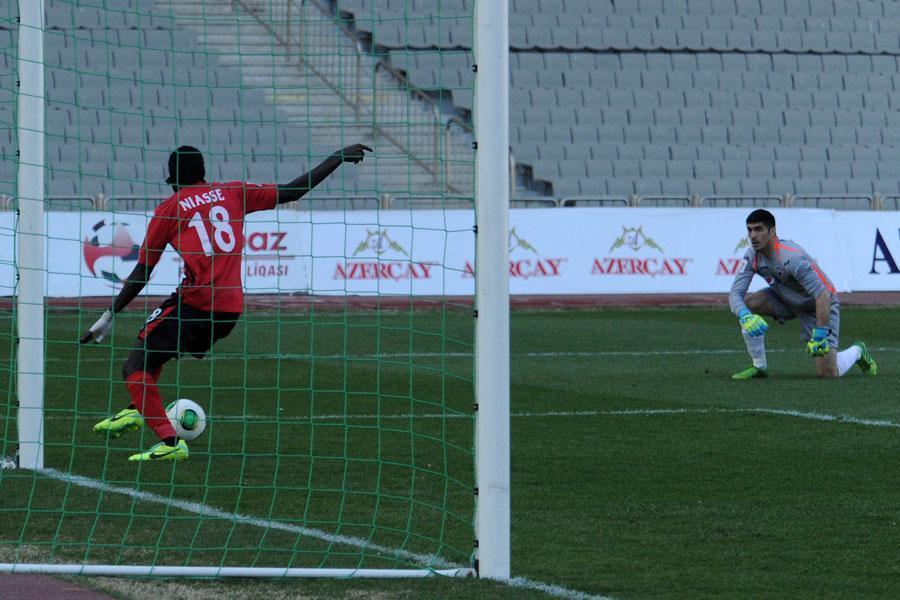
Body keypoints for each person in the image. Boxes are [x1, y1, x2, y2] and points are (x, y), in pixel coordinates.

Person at [80, 143, 372, 461]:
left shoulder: (169, 209)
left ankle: (170, 441)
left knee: (134, 365)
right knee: (155, 347)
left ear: (172, 179)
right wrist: (337, 157)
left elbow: (143, 272)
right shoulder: (233, 192)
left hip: (197, 303)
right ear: (204, 173)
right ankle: (137, 409)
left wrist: (109, 314)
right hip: (229, 310)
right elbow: (294, 190)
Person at [729, 209, 877, 380]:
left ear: (772, 231)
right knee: (747, 304)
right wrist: (745, 316)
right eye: (749, 230)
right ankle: (759, 367)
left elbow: (822, 294)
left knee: (827, 373)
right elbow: (735, 293)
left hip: (817, 304)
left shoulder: (792, 257)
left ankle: (858, 351)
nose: (753, 236)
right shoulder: (752, 256)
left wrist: (820, 333)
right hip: (786, 300)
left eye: (758, 229)